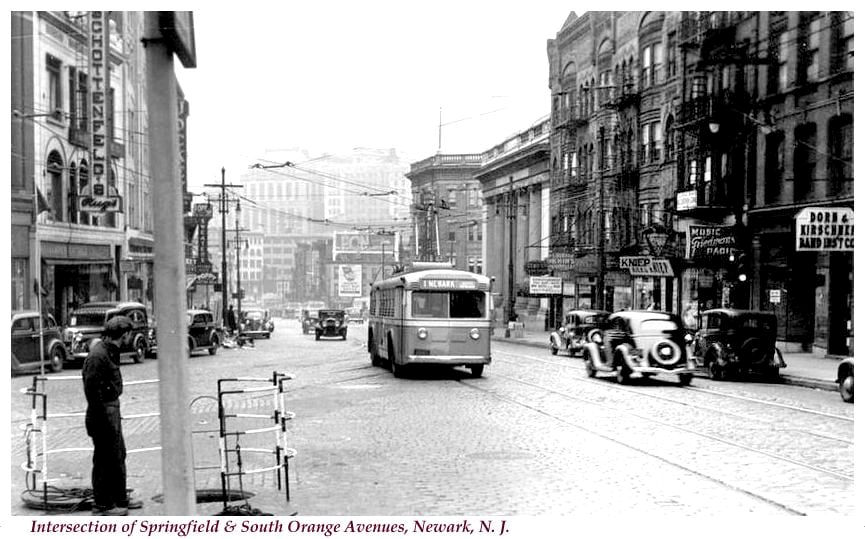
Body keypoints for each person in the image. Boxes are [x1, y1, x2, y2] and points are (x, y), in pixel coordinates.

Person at [81, 316, 141, 516]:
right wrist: (101, 419)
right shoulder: (99, 356)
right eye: (129, 334)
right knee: (104, 458)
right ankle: (103, 505)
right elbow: (91, 390)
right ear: (125, 335)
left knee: (117, 455)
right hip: (102, 413)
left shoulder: (109, 352)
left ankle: (119, 498)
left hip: (110, 410)